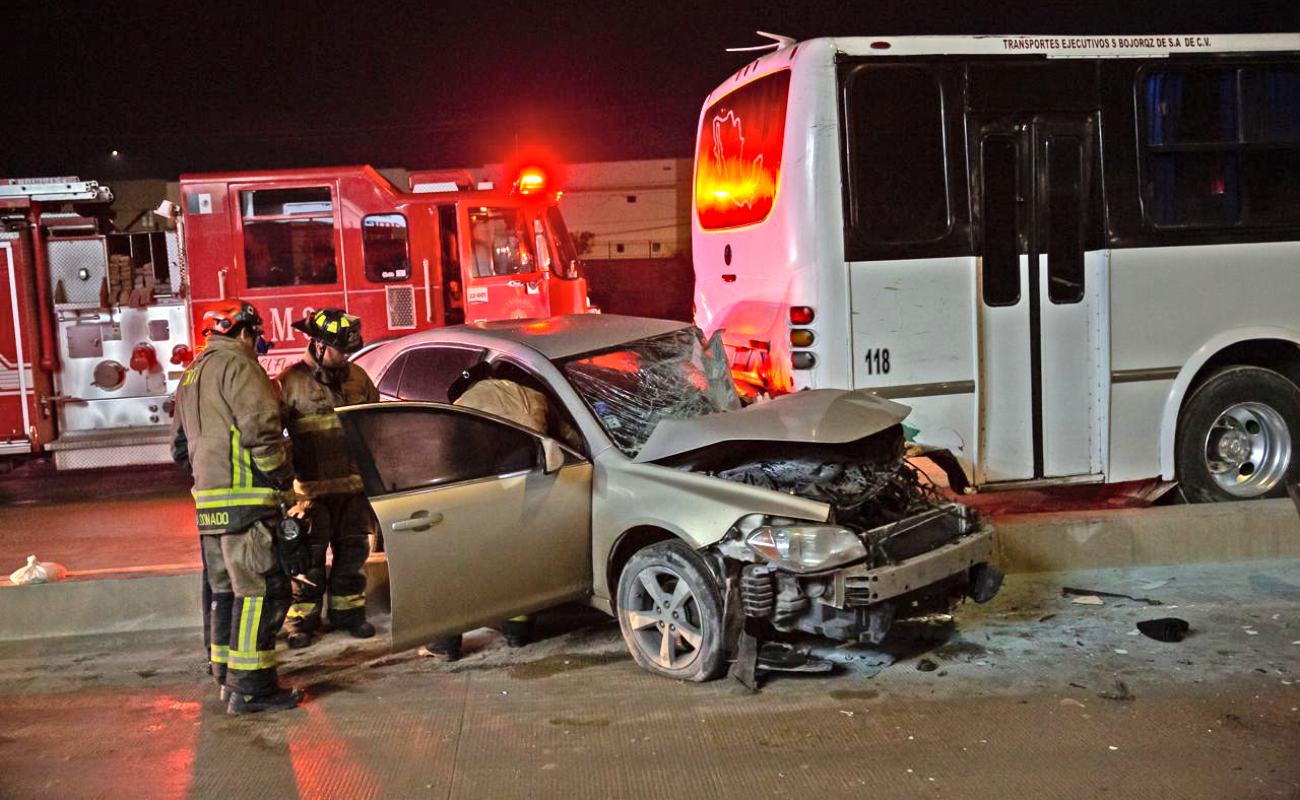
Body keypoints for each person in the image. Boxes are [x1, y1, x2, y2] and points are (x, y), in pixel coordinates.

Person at [172, 300, 307, 715]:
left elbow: (179, 449)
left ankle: (226, 677)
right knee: (262, 593)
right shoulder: (241, 367)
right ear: (245, 332)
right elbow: (262, 432)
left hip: (209, 506)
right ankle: (252, 689)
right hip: (246, 503)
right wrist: (283, 477)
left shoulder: (191, 375)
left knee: (225, 593)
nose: (257, 342)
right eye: (256, 334)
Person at [276, 309, 380, 648]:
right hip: (310, 494)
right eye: (340, 349)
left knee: (352, 555)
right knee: (309, 560)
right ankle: (301, 622)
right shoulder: (290, 382)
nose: (346, 356)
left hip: (353, 490)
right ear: (319, 345)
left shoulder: (359, 379)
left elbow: (375, 428)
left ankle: (348, 615)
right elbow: (272, 438)